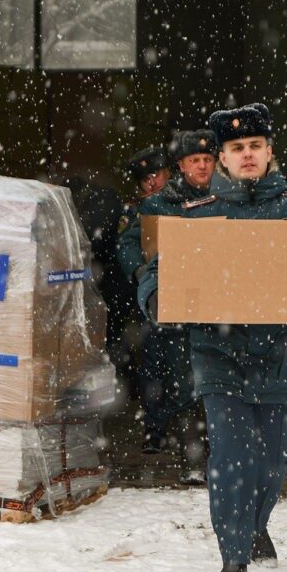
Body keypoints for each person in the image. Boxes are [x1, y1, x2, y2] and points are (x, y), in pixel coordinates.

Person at [137, 103, 287, 572]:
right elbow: (155, 267)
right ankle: (232, 558)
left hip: (285, 350)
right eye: (236, 148)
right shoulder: (197, 215)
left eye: (255, 147)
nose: (247, 155)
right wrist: (155, 295)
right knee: (229, 454)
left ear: (269, 152)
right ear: (222, 157)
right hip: (217, 352)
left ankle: (256, 524)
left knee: (272, 460)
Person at [116, 130, 218, 477]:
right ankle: (191, 457)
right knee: (181, 380)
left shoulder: (226, 198)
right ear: (181, 166)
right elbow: (130, 243)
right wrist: (144, 273)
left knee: (214, 381)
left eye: (207, 159)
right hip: (172, 305)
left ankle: (213, 454)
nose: (202, 166)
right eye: (195, 160)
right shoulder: (155, 205)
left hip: (217, 305)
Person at [109, 147, 171, 411]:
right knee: (152, 361)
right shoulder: (135, 211)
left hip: (185, 293)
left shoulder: (187, 201)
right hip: (150, 296)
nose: (152, 182)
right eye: (145, 178)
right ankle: (154, 428)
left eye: (157, 174)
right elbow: (125, 244)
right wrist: (140, 272)